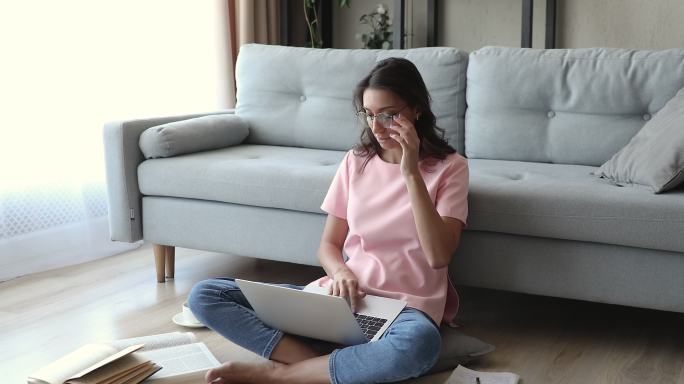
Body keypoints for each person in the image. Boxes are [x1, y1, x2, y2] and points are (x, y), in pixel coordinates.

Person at [188, 57, 469, 384]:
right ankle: (321, 368)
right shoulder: (356, 162)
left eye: (389, 115)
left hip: (404, 312)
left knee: (420, 345)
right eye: (369, 114)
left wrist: (410, 173)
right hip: (342, 300)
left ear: (417, 109)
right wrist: (341, 272)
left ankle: (280, 376)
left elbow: (438, 256)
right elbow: (328, 245)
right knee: (206, 294)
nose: (376, 127)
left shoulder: (451, 168)